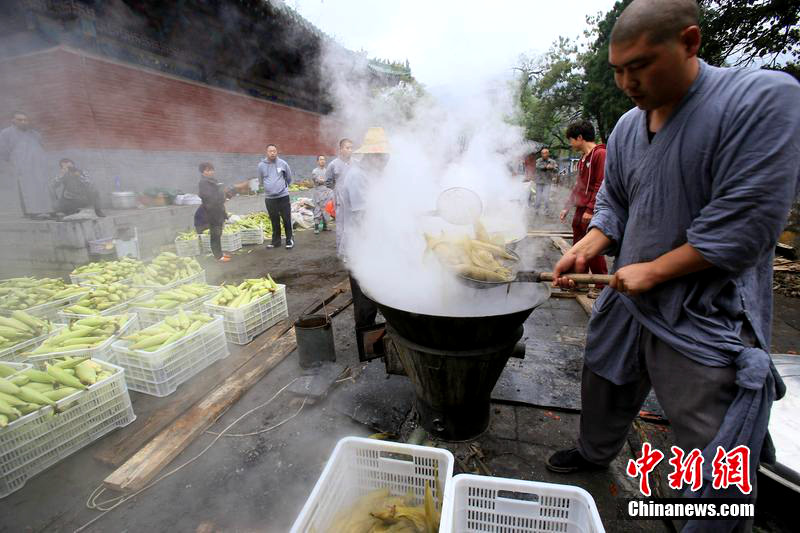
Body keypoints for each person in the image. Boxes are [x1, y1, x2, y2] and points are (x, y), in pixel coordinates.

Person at [547, 2, 800, 532]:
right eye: (617, 70)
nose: (625, 82)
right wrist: (590, 243)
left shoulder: (761, 100)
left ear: (689, 42)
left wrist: (656, 271)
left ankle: (710, 519)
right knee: (604, 378)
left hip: (702, 307)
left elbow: (745, 225)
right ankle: (595, 453)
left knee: (711, 433)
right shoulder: (625, 127)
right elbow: (616, 202)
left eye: (638, 65)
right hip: (626, 294)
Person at [337, 128, 388, 331]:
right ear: (372, 156)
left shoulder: (370, 173)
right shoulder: (358, 177)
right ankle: (365, 337)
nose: (386, 161)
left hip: (370, 245)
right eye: (383, 157)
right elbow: (363, 218)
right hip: (358, 248)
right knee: (365, 300)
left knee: (375, 292)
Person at [559, 120, 608, 286]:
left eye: (571, 139)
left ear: (580, 137)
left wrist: (591, 209)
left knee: (592, 246)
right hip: (581, 207)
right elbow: (578, 187)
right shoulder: (582, 159)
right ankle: (580, 280)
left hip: (593, 208)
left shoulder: (600, 154)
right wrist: (567, 206)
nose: (570, 143)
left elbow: (600, 184)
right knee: (578, 245)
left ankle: (601, 285)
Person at [0, 112, 54, 219]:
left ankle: (47, 210)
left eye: (25, 120)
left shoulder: (34, 133)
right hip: (21, 165)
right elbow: (3, 149)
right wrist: (9, 163)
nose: (23, 122)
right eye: (20, 120)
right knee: (27, 189)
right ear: (13, 121)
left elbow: (41, 147)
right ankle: (33, 212)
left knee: (42, 187)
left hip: (38, 165)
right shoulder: (6, 133)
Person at [258, 144, 294, 249]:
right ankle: (276, 241)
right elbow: (260, 180)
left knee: (286, 219)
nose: (272, 153)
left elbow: (289, 177)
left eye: (274, 151)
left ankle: (289, 240)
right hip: (269, 198)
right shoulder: (261, 165)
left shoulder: (283, 163)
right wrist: (268, 187)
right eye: (270, 151)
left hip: (283, 196)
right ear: (267, 152)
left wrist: (282, 187)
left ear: (277, 152)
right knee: (274, 220)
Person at [197, 162, 229, 262]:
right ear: (202, 172)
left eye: (211, 170)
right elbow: (208, 197)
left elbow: (219, 194)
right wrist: (221, 196)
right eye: (207, 170)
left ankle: (220, 254)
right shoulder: (203, 183)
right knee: (215, 234)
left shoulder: (213, 181)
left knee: (218, 233)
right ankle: (218, 256)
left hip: (218, 210)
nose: (210, 172)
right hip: (211, 212)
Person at [533, 148, 558, 215]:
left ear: (548, 154)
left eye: (545, 153)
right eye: (542, 153)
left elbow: (556, 169)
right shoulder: (538, 160)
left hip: (547, 181)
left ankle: (546, 211)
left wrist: (552, 168)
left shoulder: (552, 161)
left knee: (546, 197)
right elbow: (538, 167)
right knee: (538, 197)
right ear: (541, 154)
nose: (544, 155)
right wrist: (546, 167)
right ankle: (536, 209)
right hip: (539, 181)